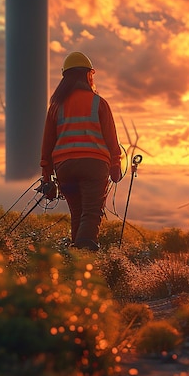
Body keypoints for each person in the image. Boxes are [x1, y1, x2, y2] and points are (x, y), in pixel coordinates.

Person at [40, 51, 122, 251]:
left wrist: (46, 175)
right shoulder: (98, 103)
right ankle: (85, 255)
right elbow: (111, 138)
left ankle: (75, 259)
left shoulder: (56, 106)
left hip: (65, 168)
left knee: (77, 212)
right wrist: (115, 164)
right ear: (88, 75)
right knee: (92, 211)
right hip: (94, 166)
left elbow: (47, 142)